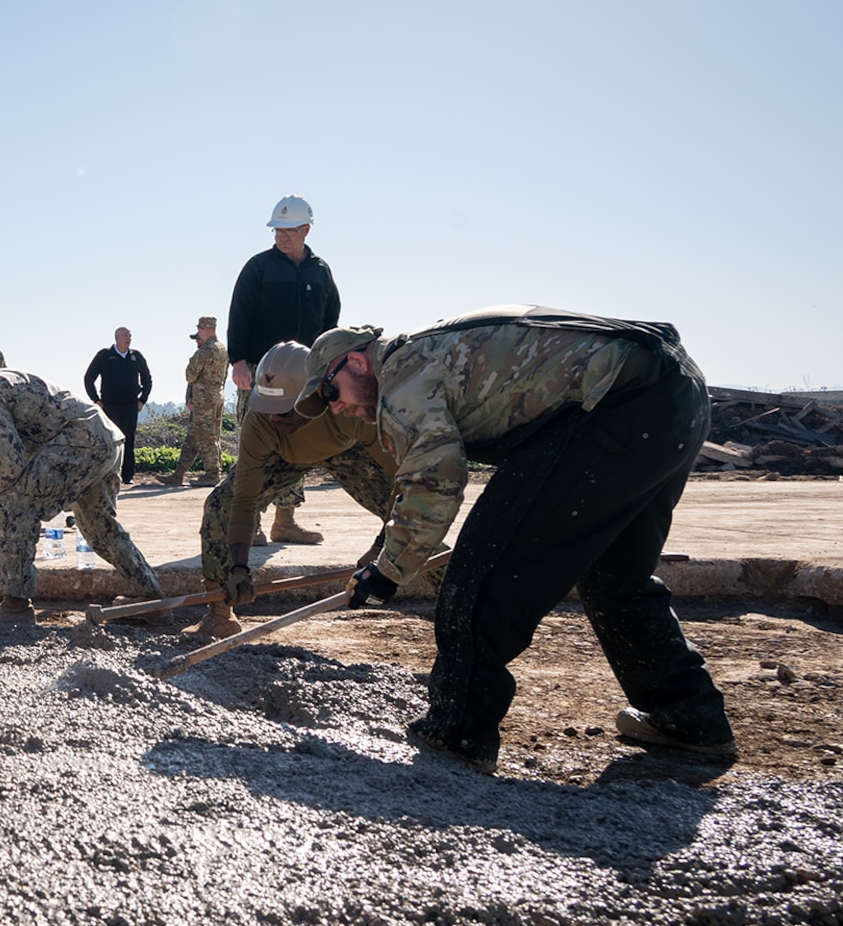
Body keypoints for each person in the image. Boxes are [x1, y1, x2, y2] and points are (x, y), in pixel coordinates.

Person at [299, 307, 736, 773]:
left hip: (613, 405)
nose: (336, 406)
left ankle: (457, 733)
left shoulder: (403, 376)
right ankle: (689, 718)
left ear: (358, 363)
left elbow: (434, 478)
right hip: (675, 396)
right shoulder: (431, 354)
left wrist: (389, 571)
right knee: (616, 576)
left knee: (481, 574)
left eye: (330, 390)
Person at [0, 340, 164, 624]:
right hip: (105, 439)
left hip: (80, 441)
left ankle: (15, 608)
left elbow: (7, 458)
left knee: (11, 510)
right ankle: (153, 601)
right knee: (100, 528)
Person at [195, 342, 401, 640]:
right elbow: (242, 501)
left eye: (284, 413)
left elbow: (408, 480)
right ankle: (219, 614)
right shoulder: (261, 422)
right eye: (268, 411)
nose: (274, 420)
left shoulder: (350, 407)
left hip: (348, 448)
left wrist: (385, 542)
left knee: (416, 525)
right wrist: (239, 568)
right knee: (219, 505)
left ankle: (461, 604)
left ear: (312, 397)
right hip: (284, 455)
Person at [227, 196, 341, 544]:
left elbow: (331, 319)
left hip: (304, 377)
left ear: (306, 229)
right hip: (263, 374)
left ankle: (285, 521)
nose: (282, 236)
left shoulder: (320, 271)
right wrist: (239, 361)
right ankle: (253, 522)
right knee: (257, 444)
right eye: (277, 230)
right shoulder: (258, 267)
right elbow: (239, 314)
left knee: (298, 442)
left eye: (289, 230)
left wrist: (326, 365)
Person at [82, 327, 152, 485]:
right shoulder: (105, 355)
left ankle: (128, 476)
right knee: (110, 440)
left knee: (129, 440)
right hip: (109, 405)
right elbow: (88, 378)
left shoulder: (136, 356)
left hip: (130, 405)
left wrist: (142, 400)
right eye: (125, 335)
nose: (129, 338)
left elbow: (147, 380)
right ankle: (108, 474)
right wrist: (96, 400)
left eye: (130, 336)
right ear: (117, 338)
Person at [174, 316, 228, 488]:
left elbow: (190, 375)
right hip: (216, 396)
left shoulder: (205, 351)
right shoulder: (222, 349)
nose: (198, 333)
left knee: (205, 437)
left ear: (204, 328)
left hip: (204, 400)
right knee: (195, 435)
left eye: (199, 329)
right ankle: (178, 474)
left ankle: (212, 474)